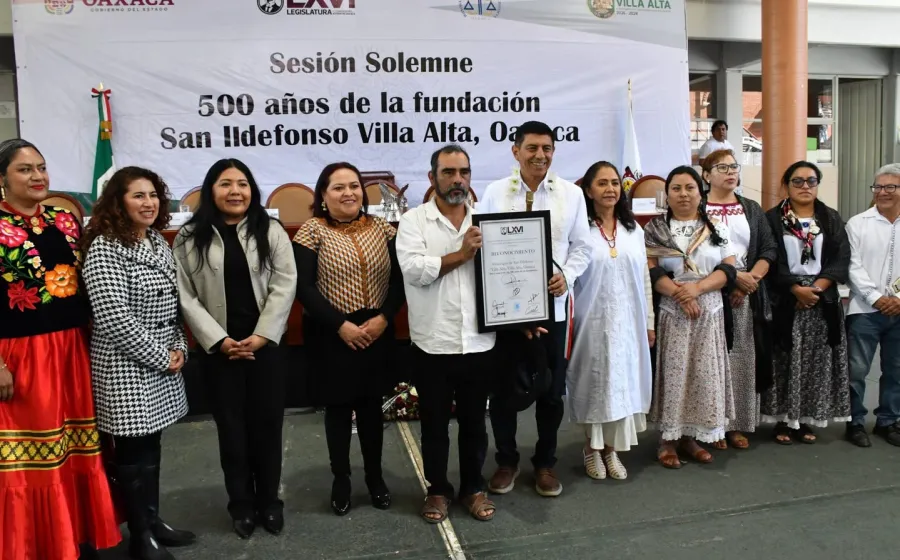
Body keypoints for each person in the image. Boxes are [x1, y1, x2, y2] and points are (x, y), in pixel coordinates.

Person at [0, 139, 121, 560]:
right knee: (34, 453)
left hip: (73, 348)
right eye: (24, 169)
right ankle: (35, 545)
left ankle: (77, 537)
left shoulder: (65, 220)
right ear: (2, 179)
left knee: (78, 447)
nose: (37, 176)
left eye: (41, 167)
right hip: (21, 355)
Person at [173, 159, 296, 537]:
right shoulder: (189, 236)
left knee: (267, 428)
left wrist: (263, 334)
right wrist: (219, 340)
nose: (235, 191)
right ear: (211, 190)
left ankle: (269, 503)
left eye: (242, 183)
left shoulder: (270, 230)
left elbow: (285, 284)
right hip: (219, 351)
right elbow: (186, 296)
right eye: (225, 184)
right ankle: (240, 505)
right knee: (232, 431)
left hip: (265, 347)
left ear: (251, 190)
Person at [82, 166, 195, 560]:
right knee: (132, 453)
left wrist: (179, 346)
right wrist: (162, 357)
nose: (149, 203)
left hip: (161, 361)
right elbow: (114, 319)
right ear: (119, 202)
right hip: (125, 367)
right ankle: (140, 536)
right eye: (138, 196)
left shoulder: (156, 240)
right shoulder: (105, 247)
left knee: (152, 446)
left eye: (153, 195)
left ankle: (153, 520)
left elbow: (175, 303)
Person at [480, 120, 593, 498]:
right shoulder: (495, 192)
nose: (539, 155)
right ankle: (506, 461)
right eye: (531, 148)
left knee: (551, 392)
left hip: (553, 309)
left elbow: (582, 247)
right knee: (502, 391)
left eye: (547, 148)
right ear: (516, 151)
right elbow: (484, 247)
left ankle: (545, 463)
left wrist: (567, 277)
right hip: (506, 313)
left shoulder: (571, 195)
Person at [293, 162, 404, 516]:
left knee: (372, 408)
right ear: (323, 195)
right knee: (338, 410)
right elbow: (304, 288)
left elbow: (399, 280)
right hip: (333, 334)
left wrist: (384, 318)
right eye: (338, 187)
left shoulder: (382, 228)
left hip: (376, 330)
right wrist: (340, 326)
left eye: (354, 186)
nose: (349, 193)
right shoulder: (311, 231)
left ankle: (375, 478)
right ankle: (341, 479)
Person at [396, 144, 497, 523]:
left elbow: (508, 274)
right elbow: (414, 271)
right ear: (432, 177)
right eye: (448, 172)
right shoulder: (413, 222)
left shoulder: (488, 220)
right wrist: (462, 254)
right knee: (434, 426)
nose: (457, 180)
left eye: (463, 172)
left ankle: (473, 488)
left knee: (474, 425)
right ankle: (437, 490)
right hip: (433, 344)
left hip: (479, 342)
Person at [644, 166, 736, 469]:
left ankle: (691, 437)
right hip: (673, 310)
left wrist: (697, 289)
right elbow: (651, 269)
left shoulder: (716, 226)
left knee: (703, 374)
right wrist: (680, 294)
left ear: (700, 192)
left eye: (690, 188)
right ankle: (668, 440)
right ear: (667, 194)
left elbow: (728, 268)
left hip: (708, 311)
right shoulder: (655, 229)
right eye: (676, 188)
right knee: (675, 374)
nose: (683, 194)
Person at [567, 161, 653, 481]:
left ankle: (612, 450)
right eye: (602, 183)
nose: (610, 189)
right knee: (595, 383)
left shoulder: (633, 231)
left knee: (622, 383)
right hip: (591, 322)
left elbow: (644, 278)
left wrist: (649, 322)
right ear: (588, 190)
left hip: (628, 324)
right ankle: (592, 448)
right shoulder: (580, 231)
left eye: (615, 183)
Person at [761, 161, 851, 444]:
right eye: (797, 181)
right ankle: (782, 421)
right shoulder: (772, 219)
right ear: (786, 186)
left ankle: (806, 419)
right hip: (785, 300)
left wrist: (815, 290)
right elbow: (769, 257)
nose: (804, 186)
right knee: (784, 361)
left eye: (811, 181)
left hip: (821, 302)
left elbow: (841, 258)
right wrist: (795, 289)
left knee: (815, 362)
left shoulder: (830, 218)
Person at [701, 149, 777, 450]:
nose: (731, 172)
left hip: (746, 294)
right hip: (708, 291)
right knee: (709, 360)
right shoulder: (697, 206)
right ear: (706, 175)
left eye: (734, 167)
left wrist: (749, 282)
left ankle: (736, 425)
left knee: (740, 360)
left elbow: (768, 249)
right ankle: (710, 423)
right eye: (722, 167)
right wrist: (731, 279)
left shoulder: (751, 208)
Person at [845, 163, 900, 448]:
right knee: (856, 370)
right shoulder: (858, 224)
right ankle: (854, 421)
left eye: (890, 187)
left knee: (896, 370)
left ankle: (888, 421)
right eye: (878, 187)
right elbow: (851, 265)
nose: (883, 192)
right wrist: (875, 298)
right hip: (864, 311)